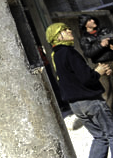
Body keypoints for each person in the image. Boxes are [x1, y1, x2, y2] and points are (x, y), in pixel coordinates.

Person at [46, 22, 113, 158]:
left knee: (100, 137)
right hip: (91, 102)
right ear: (57, 37)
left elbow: (73, 79)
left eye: (68, 28)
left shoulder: (56, 55)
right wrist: (98, 72)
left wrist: (98, 72)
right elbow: (87, 78)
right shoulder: (69, 52)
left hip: (76, 105)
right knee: (111, 134)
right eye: (64, 30)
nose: (69, 30)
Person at [79, 14, 113, 110]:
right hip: (101, 65)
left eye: (92, 19)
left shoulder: (104, 31)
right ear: (85, 24)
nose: (93, 21)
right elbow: (88, 53)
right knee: (107, 93)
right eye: (89, 20)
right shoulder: (85, 39)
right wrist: (101, 45)